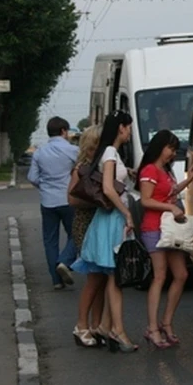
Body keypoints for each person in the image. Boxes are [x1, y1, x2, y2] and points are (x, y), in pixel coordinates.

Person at [71, 111, 138, 353]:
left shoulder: (110, 153)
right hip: (112, 220)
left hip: (109, 220)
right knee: (114, 276)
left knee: (112, 275)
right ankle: (116, 330)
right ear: (121, 128)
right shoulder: (110, 152)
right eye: (128, 127)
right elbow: (109, 189)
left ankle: (108, 325)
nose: (130, 132)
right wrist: (127, 213)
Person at [137, 130, 193, 349]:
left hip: (170, 228)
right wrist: (170, 207)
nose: (172, 153)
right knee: (160, 276)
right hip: (155, 227)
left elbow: (169, 192)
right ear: (160, 147)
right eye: (170, 148)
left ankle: (166, 322)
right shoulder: (150, 170)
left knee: (181, 274)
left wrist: (188, 180)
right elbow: (145, 200)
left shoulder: (165, 171)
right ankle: (153, 327)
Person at [27, 117, 80, 290]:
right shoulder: (73, 150)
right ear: (64, 131)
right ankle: (65, 261)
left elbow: (32, 178)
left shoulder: (39, 152)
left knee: (50, 240)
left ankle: (56, 280)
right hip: (69, 199)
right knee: (76, 234)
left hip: (48, 201)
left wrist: (45, 186)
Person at [66, 125, 107, 348]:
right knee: (94, 277)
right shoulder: (81, 169)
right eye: (94, 147)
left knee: (102, 277)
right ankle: (81, 325)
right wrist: (98, 200)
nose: (97, 151)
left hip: (100, 224)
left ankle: (96, 324)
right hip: (86, 225)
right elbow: (71, 199)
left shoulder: (102, 167)